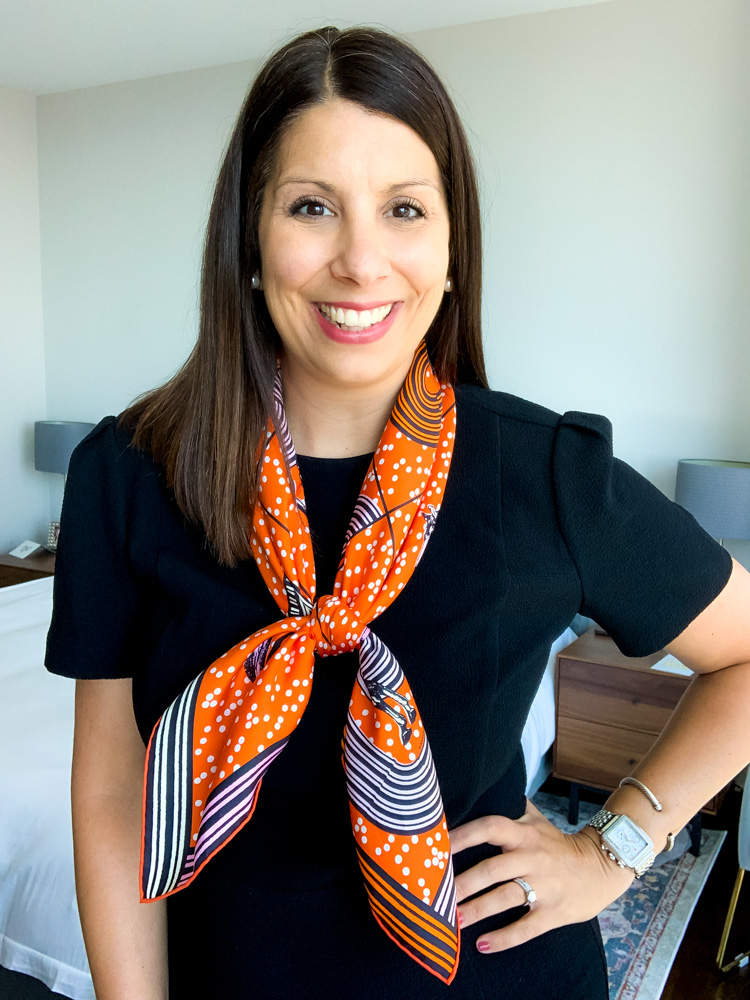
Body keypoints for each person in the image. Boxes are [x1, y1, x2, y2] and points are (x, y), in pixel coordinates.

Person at [46, 25, 750, 1000]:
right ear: (249, 240)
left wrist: (616, 845)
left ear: (451, 251)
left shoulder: (544, 470)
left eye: (404, 209)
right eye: (311, 207)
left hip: (500, 973)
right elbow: (116, 787)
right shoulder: (124, 475)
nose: (361, 260)